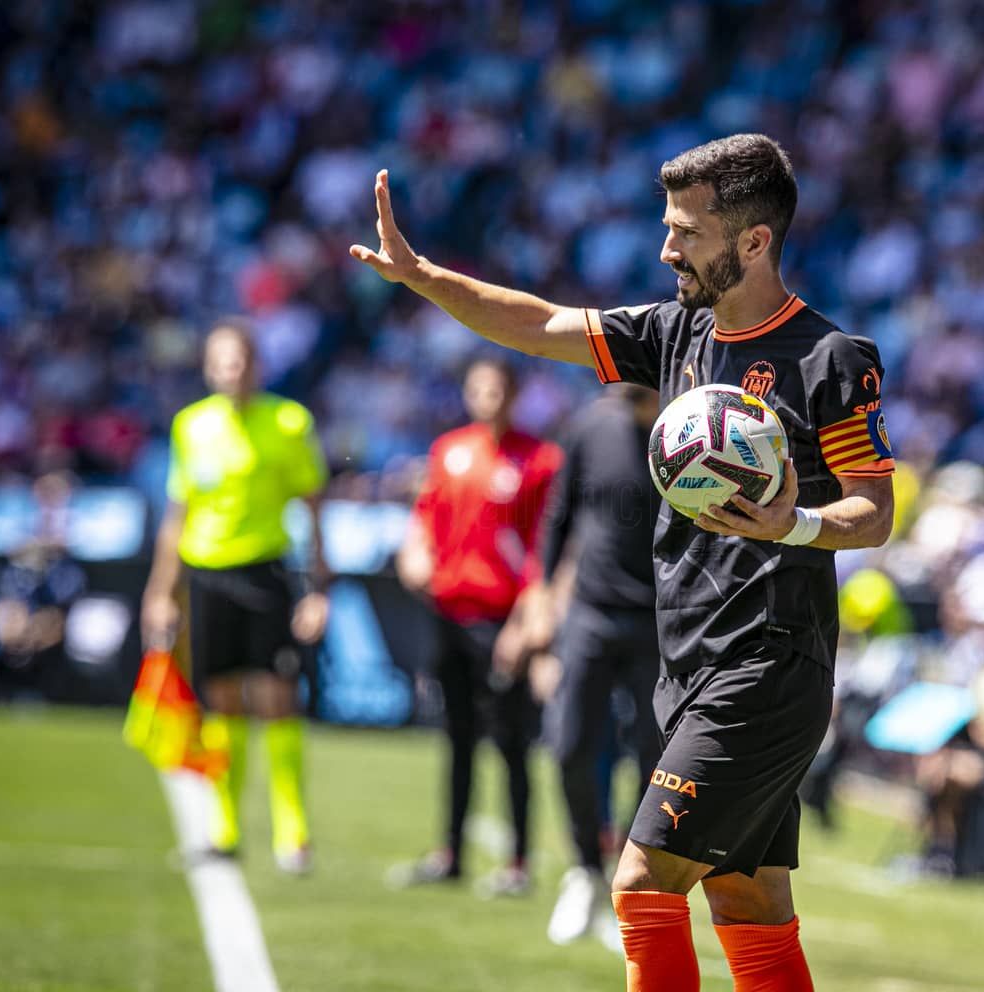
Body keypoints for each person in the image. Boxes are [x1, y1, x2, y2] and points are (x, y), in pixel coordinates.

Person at [353, 132, 895, 991]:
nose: (664, 247)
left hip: (767, 665)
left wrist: (791, 525)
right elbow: (537, 323)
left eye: (686, 230)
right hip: (688, 664)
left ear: (753, 241)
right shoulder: (672, 331)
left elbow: (873, 514)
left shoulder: (830, 360)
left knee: (641, 883)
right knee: (748, 899)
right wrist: (425, 279)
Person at [141, 321, 330, 874]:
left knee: (277, 697)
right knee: (219, 698)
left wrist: (317, 588)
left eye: (241, 360)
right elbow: (178, 515)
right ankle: (223, 827)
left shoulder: (289, 422)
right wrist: (161, 591)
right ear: (208, 367)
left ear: (257, 365)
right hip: (207, 575)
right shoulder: (190, 426)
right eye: (222, 360)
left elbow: (314, 508)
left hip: (267, 572)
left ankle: (291, 831)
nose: (233, 370)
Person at [386, 358, 562, 896]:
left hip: (501, 619)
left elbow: (544, 549)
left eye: (497, 390)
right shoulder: (449, 451)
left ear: (514, 395)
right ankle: (451, 853)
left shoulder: (540, 460)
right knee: (456, 738)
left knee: (511, 742)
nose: (488, 399)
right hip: (448, 613)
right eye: (479, 389)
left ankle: (517, 862)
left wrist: (527, 621)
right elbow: (425, 518)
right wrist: (412, 554)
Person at [529, 382, 665, 945]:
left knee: (654, 760)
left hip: (661, 620)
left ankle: (625, 885)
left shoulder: (690, 432)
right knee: (568, 743)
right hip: (590, 611)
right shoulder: (590, 427)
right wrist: (539, 600)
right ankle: (585, 868)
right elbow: (559, 516)